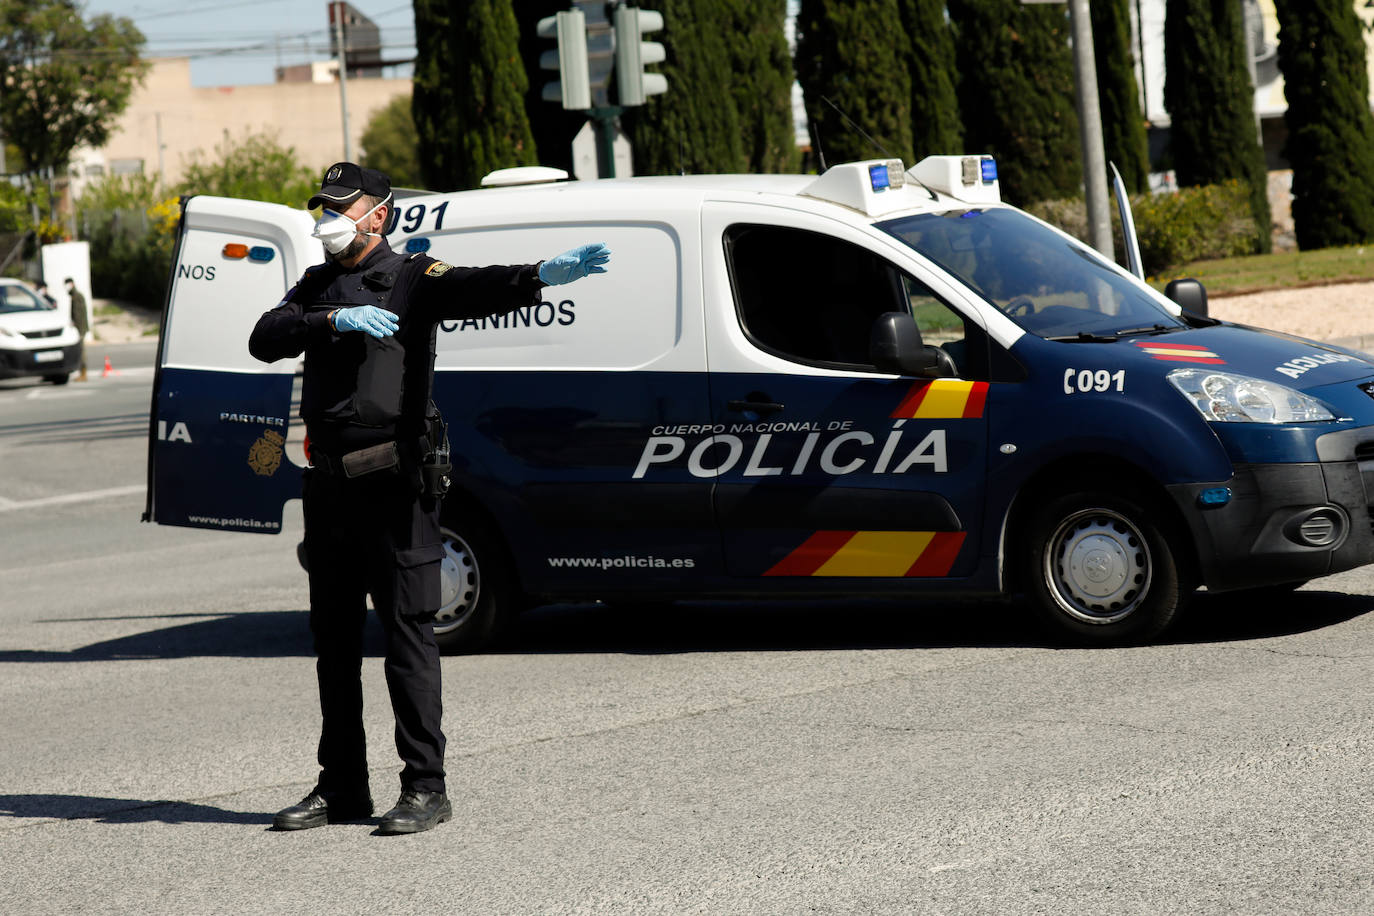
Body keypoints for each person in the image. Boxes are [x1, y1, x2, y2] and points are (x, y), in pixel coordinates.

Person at [248, 162, 609, 835]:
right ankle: (343, 788)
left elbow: (477, 288)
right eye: (322, 209)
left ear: (377, 215)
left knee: (409, 635)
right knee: (333, 642)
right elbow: (264, 336)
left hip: (394, 483)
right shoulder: (318, 284)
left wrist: (539, 277)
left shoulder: (413, 277)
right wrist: (332, 321)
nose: (327, 221)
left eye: (340, 209)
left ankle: (425, 787)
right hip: (327, 487)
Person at [65, 278, 89, 382]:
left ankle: (83, 374)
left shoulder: (77, 296)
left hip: (80, 329)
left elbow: (79, 315)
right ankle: (82, 373)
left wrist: (79, 330)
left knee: (81, 351)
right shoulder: (74, 296)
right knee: (79, 351)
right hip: (79, 328)